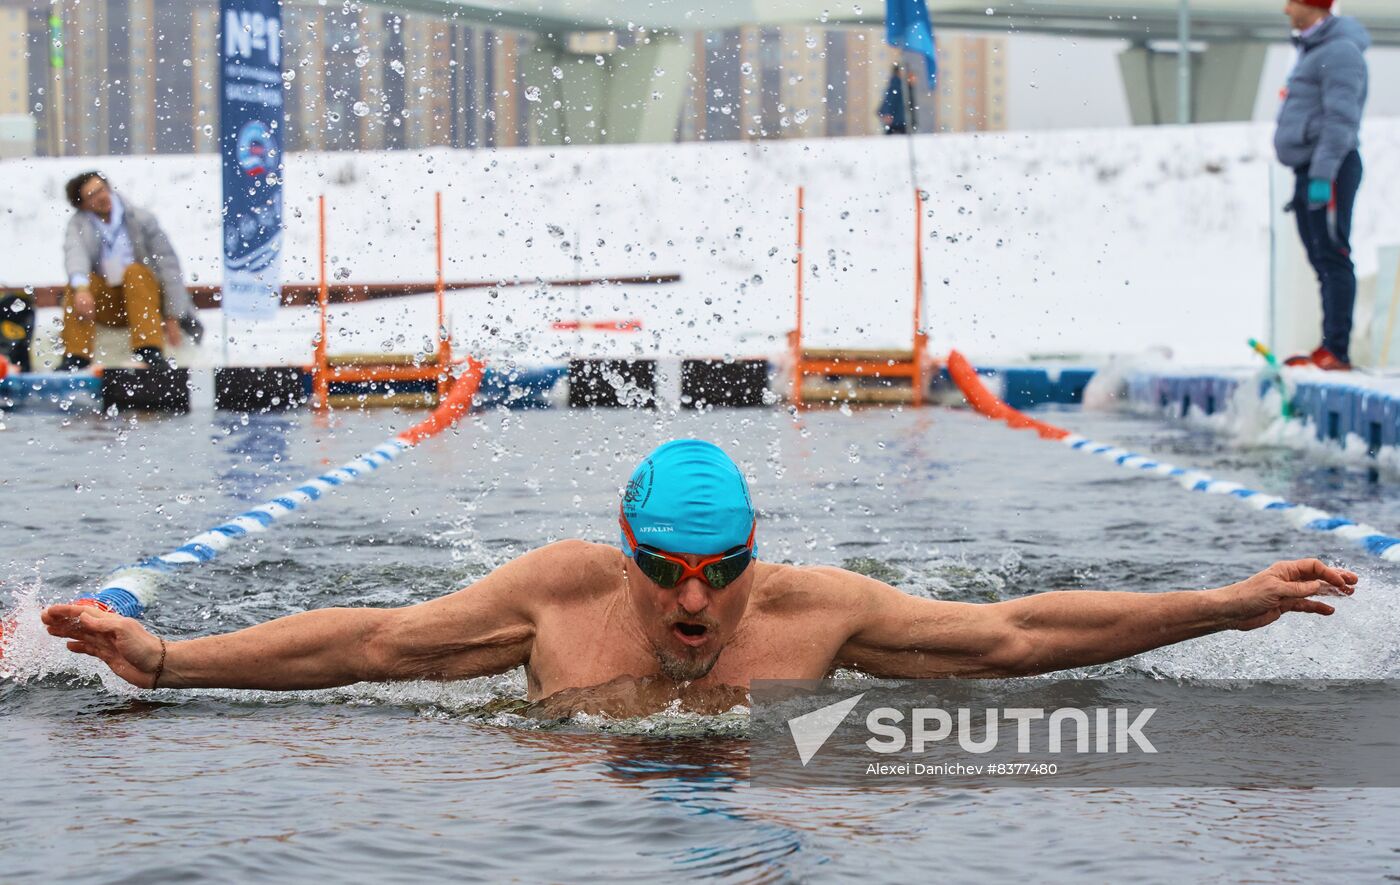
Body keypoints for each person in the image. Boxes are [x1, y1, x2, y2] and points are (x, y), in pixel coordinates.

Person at [42, 439, 1356, 717]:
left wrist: (1227, 603)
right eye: (662, 574)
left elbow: (1009, 636)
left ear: (751, 561)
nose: (689, 607)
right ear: (622, 557)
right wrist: (165, 657)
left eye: (717, 576)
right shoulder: (554, 597)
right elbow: (376, 643)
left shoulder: (813, 611)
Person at [1274, 1, 1370, 372]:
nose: (1286, 10)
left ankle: (1337, 351)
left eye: (1292, 2)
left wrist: (1322, 175)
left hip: (1328, 168)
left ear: (1310, 5)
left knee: (1332, 256)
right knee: (1319, 259)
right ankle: (1326, 346)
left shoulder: (1339, 52)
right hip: (1309, 168)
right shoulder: (1313, 49)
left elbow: (1341, 119)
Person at [58, 172, 204, 372]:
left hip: (145, 299)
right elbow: (75, 255)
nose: (101, 197)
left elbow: (169, 266)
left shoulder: (141, 219)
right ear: (82, 204)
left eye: (101, 189)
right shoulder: (79, 225)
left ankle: (149, 350)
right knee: (79, 285)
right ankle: (76, 357)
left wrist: (173, 315)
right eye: (92, 195)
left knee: (135, 272)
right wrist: (81, 288)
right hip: (107, 302)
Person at [877, 65, 911, 135]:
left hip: (898, 118)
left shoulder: (899, 83)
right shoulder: (897, 83)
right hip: (897, 118)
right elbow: (889, 99)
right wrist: (887, 113)